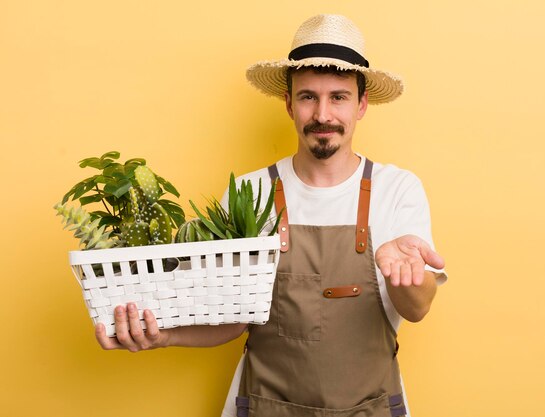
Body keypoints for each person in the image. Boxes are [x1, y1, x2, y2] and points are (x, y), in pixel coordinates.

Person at [96, 14, 447, 417]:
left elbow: (417, 308)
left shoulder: (397, 189)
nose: (323, 115)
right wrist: (162, 336)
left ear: (361, 104)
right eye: (308, 96)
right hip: (265, 407)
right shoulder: (249, 193)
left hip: (369, 408)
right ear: (288, 103)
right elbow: (230, 320)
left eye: (339, 96)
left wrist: (403, 275)